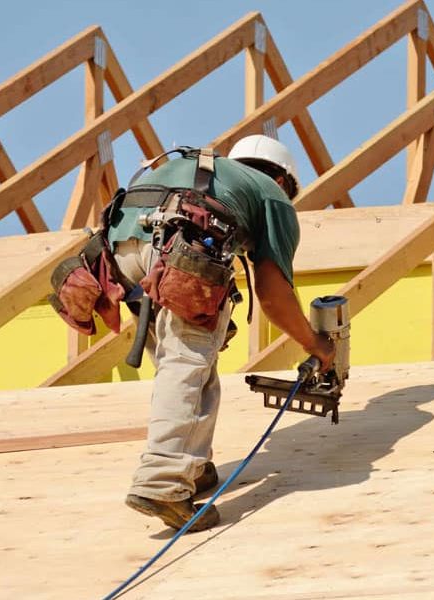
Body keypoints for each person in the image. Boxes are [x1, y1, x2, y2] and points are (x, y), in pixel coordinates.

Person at [106, 135, 335, 532]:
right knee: (188, 357)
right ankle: (163, 482)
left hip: (119, 248)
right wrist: (314, 343)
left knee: (185, 360)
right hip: (176, 248)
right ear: (283, 181)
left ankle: (190, 465)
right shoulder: (272, 196)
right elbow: (273, 292)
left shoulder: (208, 172)